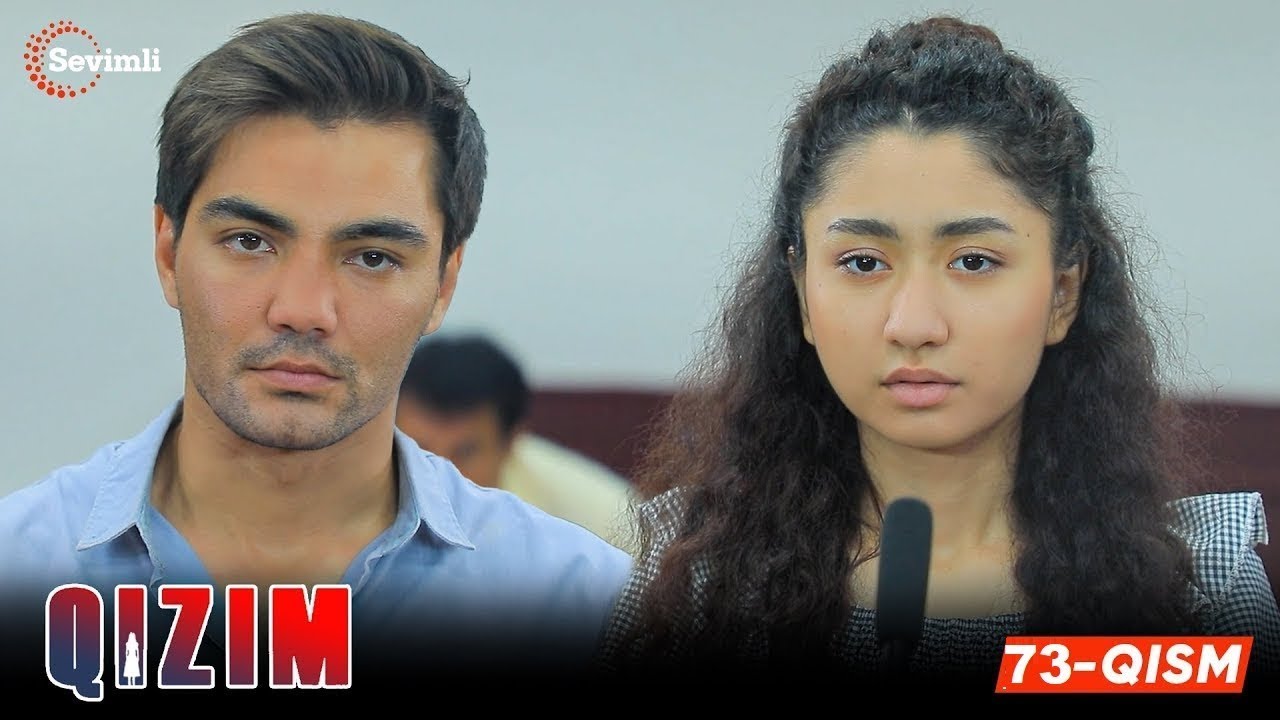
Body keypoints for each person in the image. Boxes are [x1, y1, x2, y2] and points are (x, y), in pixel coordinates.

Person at [597, 15, 1280, 700]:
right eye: (863, 262)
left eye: (974, 261)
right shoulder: (698, 580)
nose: (914, 324)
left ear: (1063, 293)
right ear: (802, 294)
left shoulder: (1196, 591)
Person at [0, 12, 631, 697]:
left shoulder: (587, 613)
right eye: (249, 242)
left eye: (372, 257)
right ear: (168, 252)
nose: (303, 309)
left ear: (443, 284)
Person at [397, 334, 638, 553]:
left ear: (511, 442)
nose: (438, 473)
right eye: (419, 448)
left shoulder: (605, 523)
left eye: (465, 451)